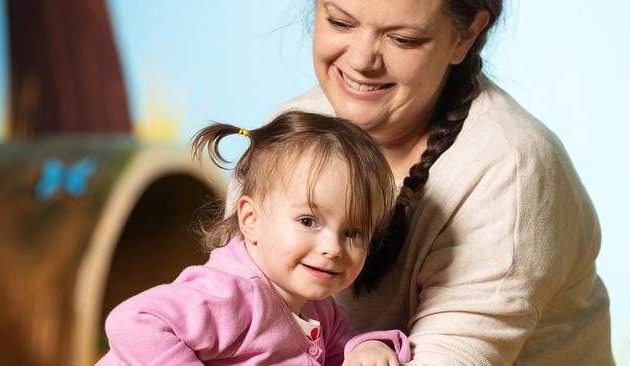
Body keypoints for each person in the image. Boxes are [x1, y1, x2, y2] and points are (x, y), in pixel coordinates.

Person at [228, 0, 615, 364]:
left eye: (403, 39)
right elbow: (223, 309)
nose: (361, 61)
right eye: (340, 21)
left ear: (465, 35)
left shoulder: (510, 171)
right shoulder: (292, 132)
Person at [96, 111, 412, 366]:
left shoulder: (319, 309)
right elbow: (132, 321)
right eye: (307, 221)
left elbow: (339, 351)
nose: (332, 249)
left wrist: (368, 348)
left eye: (352, 233)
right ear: (251, 220)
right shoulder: (234, 296)